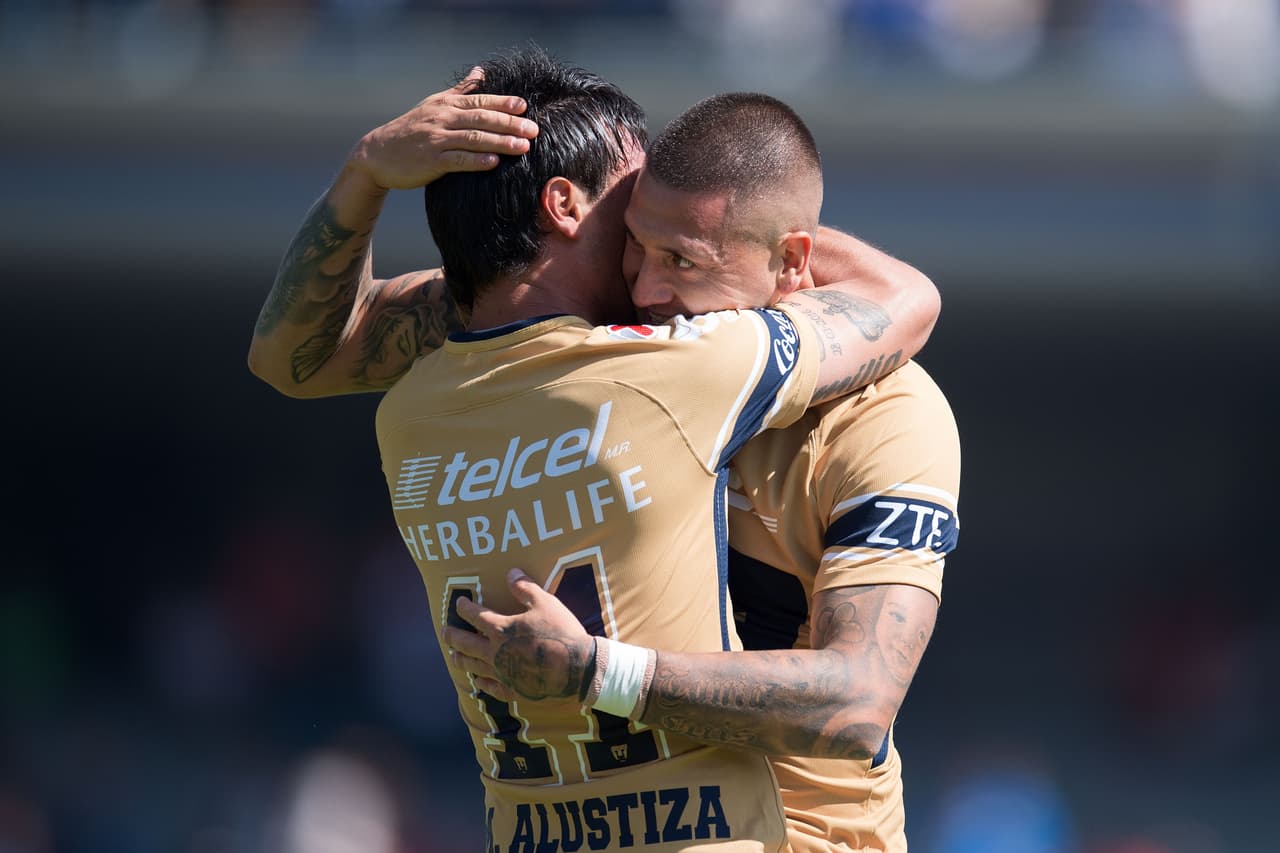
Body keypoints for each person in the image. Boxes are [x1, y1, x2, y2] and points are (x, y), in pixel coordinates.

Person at [248, 49, 939, 852]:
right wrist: (726, 227)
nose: (646, 275)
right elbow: (906, 296)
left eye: (672, 245)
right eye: (636, 205)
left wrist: (369, 169)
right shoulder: (683, 367)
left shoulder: (413, 405)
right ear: (566, 205)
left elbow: (289, 355)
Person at [445, 93, 960, 852]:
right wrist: (364, 178)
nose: (647, 290)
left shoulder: (888, 415)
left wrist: (598, 673)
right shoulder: (620, 341)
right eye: (635, 245)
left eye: (682, 260)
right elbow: (311, 352)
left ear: (792, 263)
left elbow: (858, 700)